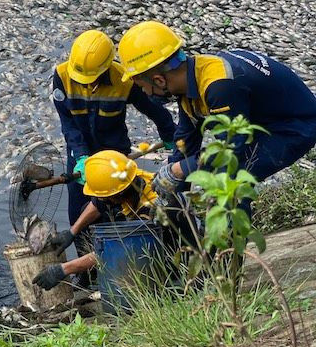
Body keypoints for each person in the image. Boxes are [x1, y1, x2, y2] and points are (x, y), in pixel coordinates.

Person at [117, 20, 316, 211]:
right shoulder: (188, 81)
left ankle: (231, 242)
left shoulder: (219, 86)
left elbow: (229, 152)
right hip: (260, 122)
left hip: (294, 127)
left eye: (143, 87)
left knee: (229, 179)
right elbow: (185, 143)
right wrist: (170, 192)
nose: (146, 94)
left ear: (159, 80)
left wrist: (179, 170)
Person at [52, 30, 176, 285]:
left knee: (118, 217)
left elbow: (156, 111)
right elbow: (68, 125)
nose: (86, 83)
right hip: (79, 156)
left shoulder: (124, 80)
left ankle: (115, 267)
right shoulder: (62, 76)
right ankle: (87, 276)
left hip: (114, 155)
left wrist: (173, 139)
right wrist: (81, 157)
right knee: (79, 211)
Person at [33, 150, 163, 291]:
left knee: (130, 253)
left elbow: (123, 247)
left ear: (118, 194)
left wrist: (65, 269)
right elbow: (97, 204)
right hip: (136, 226)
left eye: (106, 197)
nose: (102, 200)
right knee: (86, 209)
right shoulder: (127, 178)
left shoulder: (151, 205)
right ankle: (92, 273)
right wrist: (72, 232)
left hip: (163, 254)